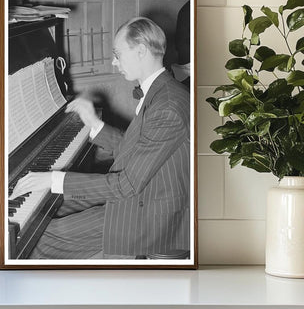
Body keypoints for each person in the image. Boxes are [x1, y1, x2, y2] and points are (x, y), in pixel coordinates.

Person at [12, 17, 190, 259]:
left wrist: (53, 178)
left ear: (140, 51)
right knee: (54, 201)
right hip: (146, 195)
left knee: (39, 237)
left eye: (118, 54)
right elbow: (135, 150)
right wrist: (94, 124)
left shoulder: (166, 106)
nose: (113, 62)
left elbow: (126, 185)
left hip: (153, 216)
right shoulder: (162, 90)